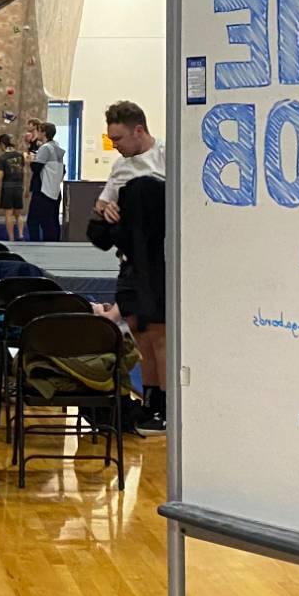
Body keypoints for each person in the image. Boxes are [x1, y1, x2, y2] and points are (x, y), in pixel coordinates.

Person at [90, 100, 168, 434]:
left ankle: (166, 409)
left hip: (159, 264)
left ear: (139, 130)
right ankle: (149, 403)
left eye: (118, 139)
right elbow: (102, 206)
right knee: (141, 338)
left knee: (160, 338)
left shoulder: (167, 155)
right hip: (131, 263)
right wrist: (105, 211)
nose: (115, 146)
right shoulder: (121, 168)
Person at [26, 121, 65, 242]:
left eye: (38, 130)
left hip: (43, 190)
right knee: (52, 221)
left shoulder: (45, 148)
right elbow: (63, 170)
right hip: (55, 190)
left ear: (43, 132)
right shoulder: (57, 148)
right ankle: (55, 244)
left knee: (33, 221)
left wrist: (30, 161)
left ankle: (35, 245)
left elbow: (36, 168)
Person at [0, 132, 26, 240]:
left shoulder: (2, 158)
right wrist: (24, 187)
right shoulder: (20, 155)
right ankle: (21, 234)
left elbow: (0, 175)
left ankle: (11, 237)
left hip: (8, 186)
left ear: (2, 144)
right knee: (18, 213)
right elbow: (23, 171)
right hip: (19, 185)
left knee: (8, 213)